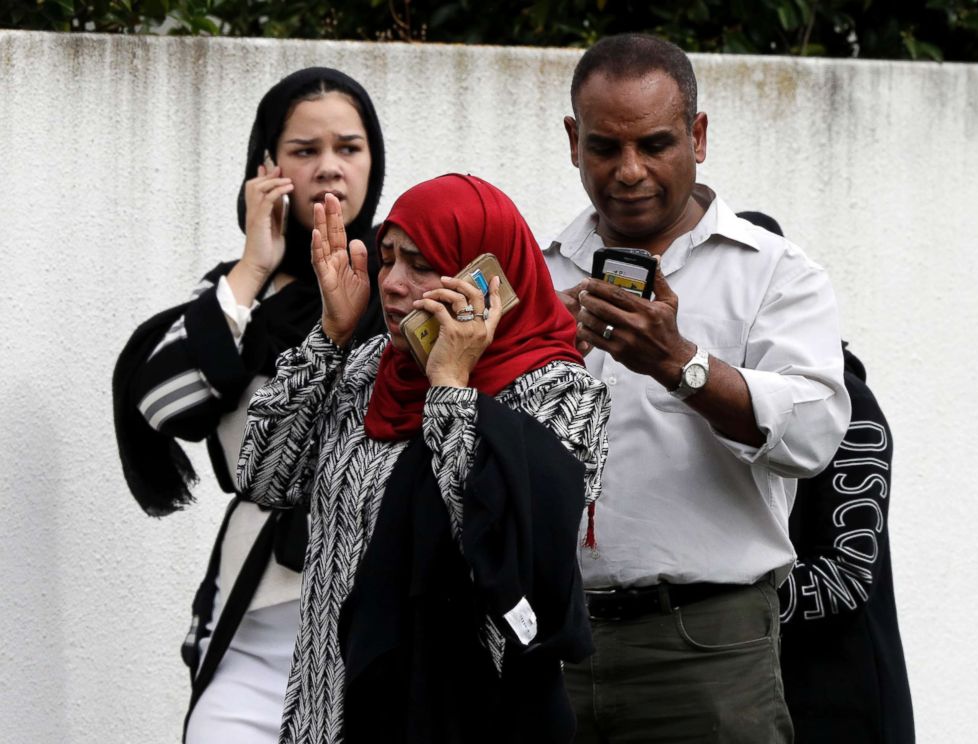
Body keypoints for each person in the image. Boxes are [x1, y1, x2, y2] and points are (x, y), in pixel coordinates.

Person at [542, 34, 852, 742]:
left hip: (708, 647)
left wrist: (680, 363)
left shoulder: (773, 272)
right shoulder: (537, 274)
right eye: (604, 148)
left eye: (655, 144)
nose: (629, 171)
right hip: (550, 640)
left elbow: (813, 434)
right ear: (572, 140)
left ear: (698, 135)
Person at [237, 173, 611, 743]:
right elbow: (264, 475)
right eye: (387, 259)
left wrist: (451, 390)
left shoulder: (561, 390)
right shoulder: (370, 369)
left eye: (420, 263)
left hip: (460, 717)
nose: (392, 284)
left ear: (484, 276)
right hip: (330, 711)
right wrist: (331, 336)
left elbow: (510, 554)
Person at [111, 67, 386, 743]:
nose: (329, 169)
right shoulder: (237, 299)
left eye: (348, 149)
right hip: (254, 625)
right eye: (304, 151)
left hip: (379, 617)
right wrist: (253, 265)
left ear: (373, 162)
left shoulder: (404, 282)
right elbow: (163, 401)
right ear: (267, 166)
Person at [736, 211, 915, 742]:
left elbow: (849, 573)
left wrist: (717, 608)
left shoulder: (848, 404)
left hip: (844, 698)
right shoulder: (723, 401)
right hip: (757, 688)